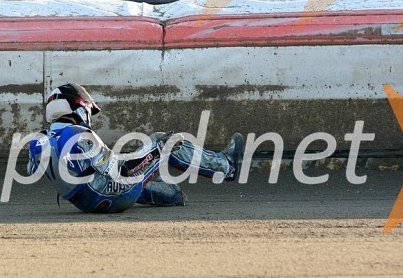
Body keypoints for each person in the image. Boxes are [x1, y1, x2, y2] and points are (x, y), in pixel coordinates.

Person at [28, 83, 244, 213]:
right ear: (78, 106)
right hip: (113, 196)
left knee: (135, 168)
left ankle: (171, 195)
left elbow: (34, 171)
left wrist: (144, 161)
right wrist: (152, 154)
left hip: (85, 201)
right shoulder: (79, 134)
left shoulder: (39, 140)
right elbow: (119, 171)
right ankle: (226, 166)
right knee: (165, 142)